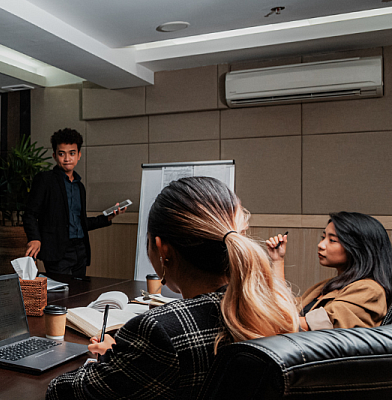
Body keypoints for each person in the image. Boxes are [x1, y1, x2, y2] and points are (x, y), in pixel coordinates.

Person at [46, 176, 299, 400]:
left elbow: (62, 393)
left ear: (162, 249)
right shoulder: (274, 310)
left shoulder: (161, 332)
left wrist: (114, 359)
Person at [24, 128, 124, 277]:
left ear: (79, 156)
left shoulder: (79, 186)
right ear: (54, 156)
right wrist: (34, 238)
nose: (67, 158)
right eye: (61, 153)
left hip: (80, 250)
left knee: (80, 294)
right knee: (61, 296)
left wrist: (106, 218)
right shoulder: (45, 180)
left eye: (72, 153)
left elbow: (79, 222)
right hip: (57, 251)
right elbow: (30, 214)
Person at [266, 212, 392, 330]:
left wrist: (264, 321)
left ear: (358, 249)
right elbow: (283, 310)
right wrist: (277, 260)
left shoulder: (369, 290)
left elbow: (311, 326)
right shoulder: (327, 286)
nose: (321, 245)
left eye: (332, 240)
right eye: (323, 237)